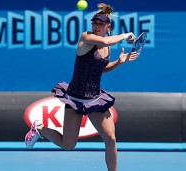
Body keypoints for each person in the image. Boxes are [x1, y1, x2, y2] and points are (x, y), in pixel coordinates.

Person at [25, 3, 139, 171]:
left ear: (108, 26)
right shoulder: (86, 37)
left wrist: (119, 62)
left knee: (111, 139)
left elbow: (100, 69)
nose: (96, 26)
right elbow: (107, 40)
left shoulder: (107, 47)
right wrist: (126, 35)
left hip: (95, 99)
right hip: (75, 99)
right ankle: (40, 128)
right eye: (94, 23)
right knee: (68, 145)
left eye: (100, 23)